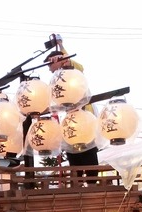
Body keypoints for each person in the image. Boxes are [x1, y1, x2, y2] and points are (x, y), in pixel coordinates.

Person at [44, 34, 99, 181]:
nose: (49, 69)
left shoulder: (73, 73)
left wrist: (62, 48)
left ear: (57, 61)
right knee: (74, 154)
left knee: (88, 153)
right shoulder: (57, 79)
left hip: (84, 117)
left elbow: (73, 64)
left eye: (49, 64)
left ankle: (91, 183)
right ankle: (78, 182)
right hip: (70, 120)